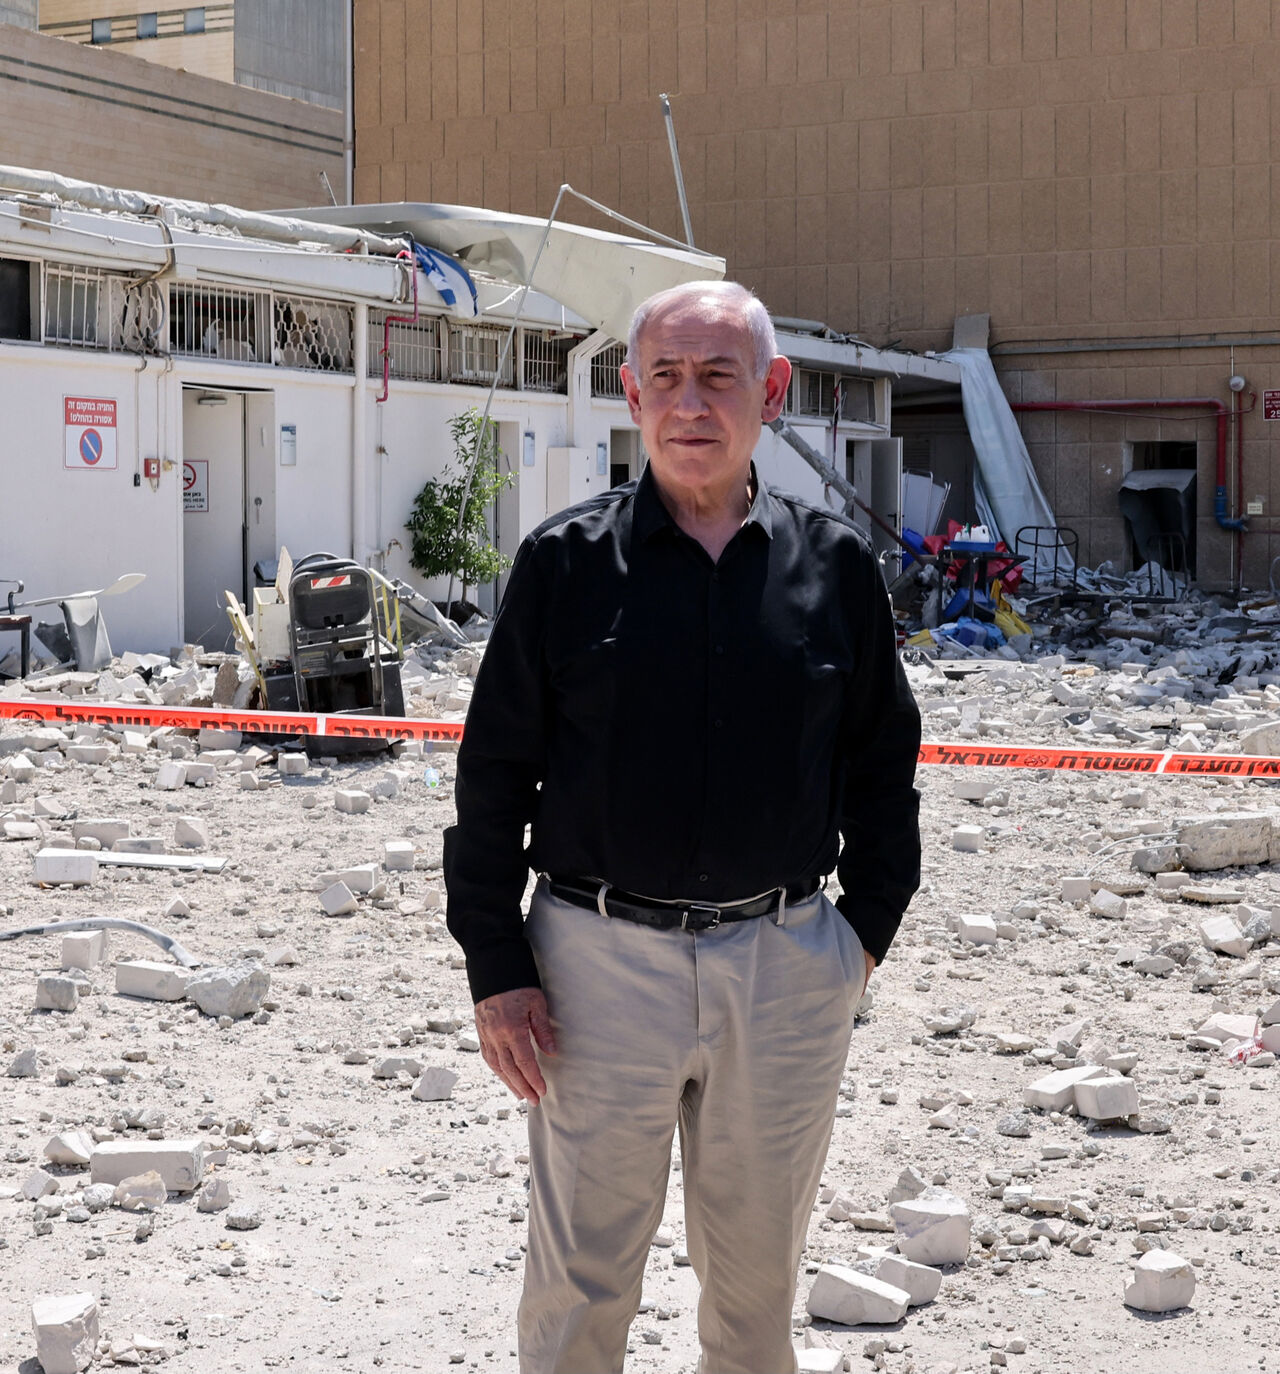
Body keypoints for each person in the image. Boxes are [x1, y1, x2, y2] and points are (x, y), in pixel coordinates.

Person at [444, 280, 921, 1374]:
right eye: (665, 376)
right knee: (579, 1290)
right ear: (630, 393)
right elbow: (493, 778)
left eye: (718, 376)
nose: (690, 403)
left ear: (770, 390)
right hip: (593, 971)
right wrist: (495, 965)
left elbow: (880, 763)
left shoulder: (834, 568)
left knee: (755, 1295)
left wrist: (860, 939)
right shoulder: (563, 566)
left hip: (787, 967)